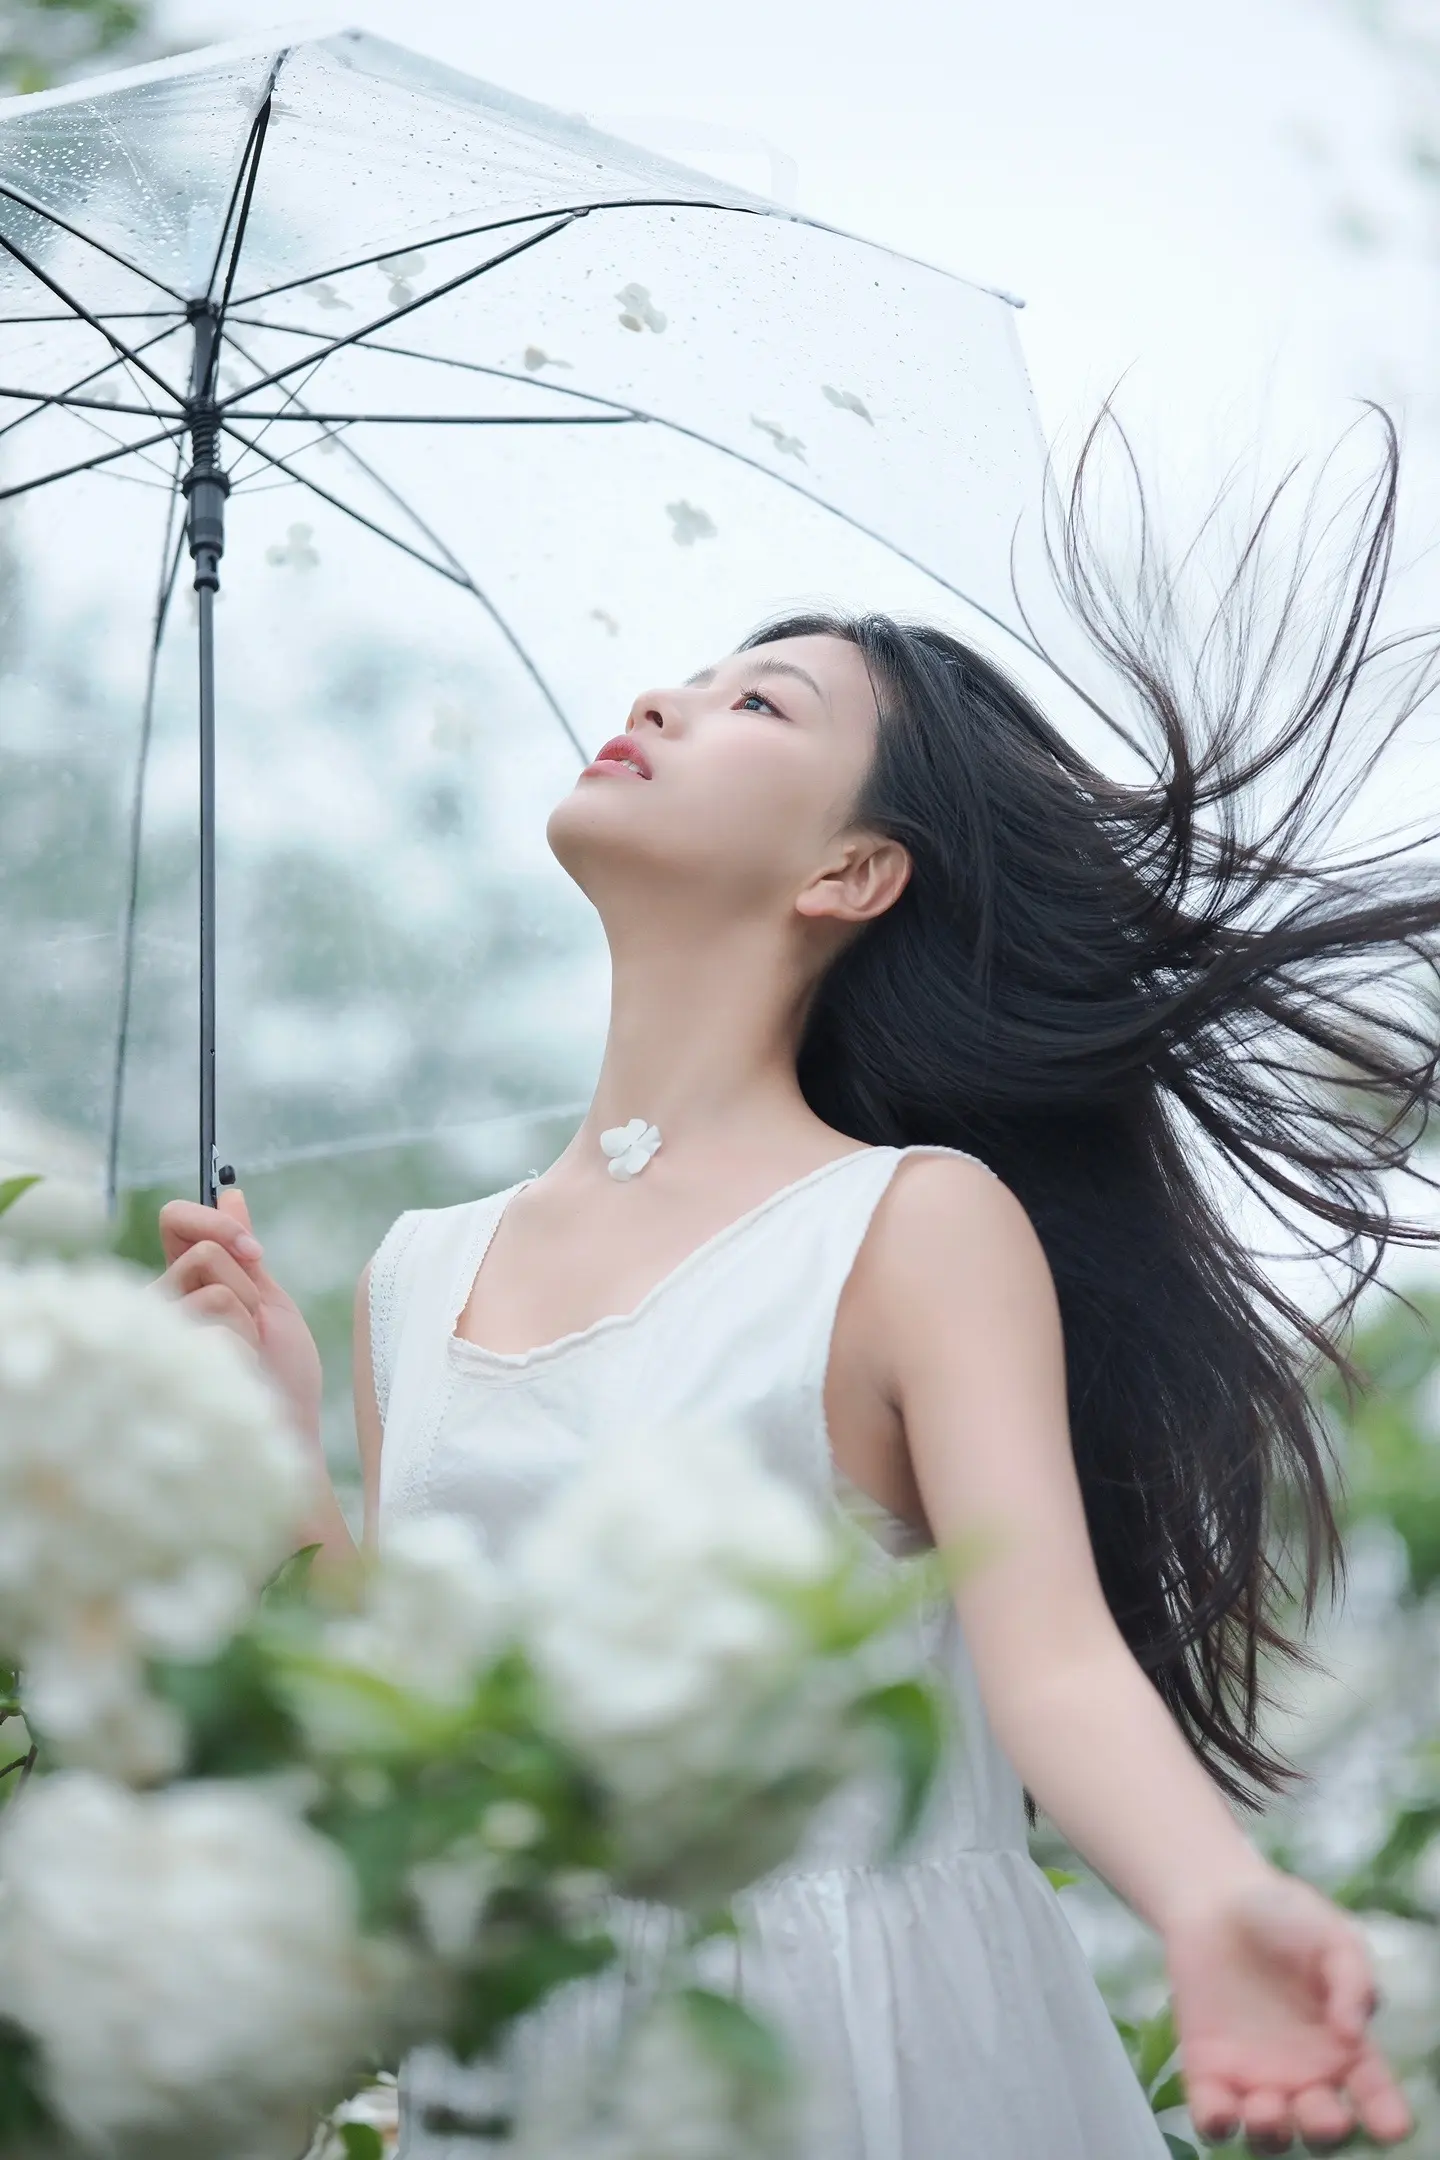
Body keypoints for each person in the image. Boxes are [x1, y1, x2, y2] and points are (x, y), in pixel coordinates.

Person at [156, 414, 1440, 2158]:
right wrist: (271, 1459)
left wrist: (1216, 1902)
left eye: (758, 702)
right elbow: (421, 1740)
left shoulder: (914, 1225)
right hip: (535, 2057)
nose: (670, 699)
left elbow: (1050, 1659)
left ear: (852, 873)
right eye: (696, 678)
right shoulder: (416, 1269)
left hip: (870, 2048)